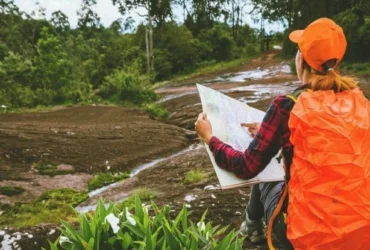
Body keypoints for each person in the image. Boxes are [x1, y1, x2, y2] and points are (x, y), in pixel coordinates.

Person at [195, 17, 370, 250]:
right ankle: (251, 225)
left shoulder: (288, 106)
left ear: (301, 60)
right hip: (361, 234)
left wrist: (210, 138)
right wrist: (269, 133)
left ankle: (251, 227)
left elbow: (246, 167)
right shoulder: (360, 102)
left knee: (269, 171)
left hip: (306, 237)